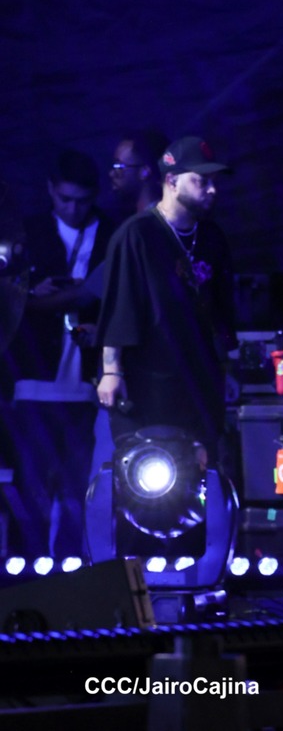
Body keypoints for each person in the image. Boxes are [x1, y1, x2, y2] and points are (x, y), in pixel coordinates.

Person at [95, 136, 236, 464]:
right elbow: (119, 305)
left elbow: (222, 310)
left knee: (203, 474)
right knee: (151, 475)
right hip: (151, 385)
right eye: (201, 181)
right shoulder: (138, 235)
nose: (212, 190)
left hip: (201, 383)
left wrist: (229, 369)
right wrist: (112, 371)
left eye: (214, 181)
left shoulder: (212, 237)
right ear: (171, 181)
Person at [3, 148, 115, 560]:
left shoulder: (112, 233)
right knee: (29, 489)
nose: (72, 209)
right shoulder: (28, 231)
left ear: (95, 195)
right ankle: (25, 576)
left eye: (82, 201)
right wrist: (31, 294)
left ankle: (69, 573)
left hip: (84, 384)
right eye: (65, 199)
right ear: (50, 189)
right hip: (32, 380)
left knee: (74, 490)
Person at [109, 128, 170, 219]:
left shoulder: (156, 221)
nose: (112, 174)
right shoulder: (125, 217)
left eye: (120, 166)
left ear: (144, 172)